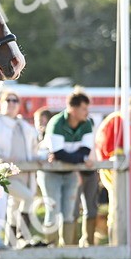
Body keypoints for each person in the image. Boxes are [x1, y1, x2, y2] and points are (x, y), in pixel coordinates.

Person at [0, 90, 44, 247]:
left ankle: (11, 243)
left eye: (15, 100)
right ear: (1, 103)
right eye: (8, 100)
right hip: (2, 175)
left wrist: (39, 158)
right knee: (28, 198)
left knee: (15, 206)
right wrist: (1, 158)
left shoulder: (24, 126)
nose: (11, 103)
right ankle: (22, 236)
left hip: (25, 173)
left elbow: (34, 149)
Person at [39, 92, 95, 248]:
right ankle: (51, 248)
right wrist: (80, 158)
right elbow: (60, 153)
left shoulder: (87, 124)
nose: (87, 112)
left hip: (70, 172)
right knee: (53, 210)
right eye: (84, 108)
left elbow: (84, 151)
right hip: (51, 173)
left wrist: (74, 157)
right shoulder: (56, 123)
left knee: (69, 212)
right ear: (73, 109)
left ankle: (67, 249)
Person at [95, 96, 131, 244]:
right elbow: (107, 146)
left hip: (127, 169)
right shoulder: (116, 120)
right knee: (116, 202)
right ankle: (115, 239)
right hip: (113, 169)